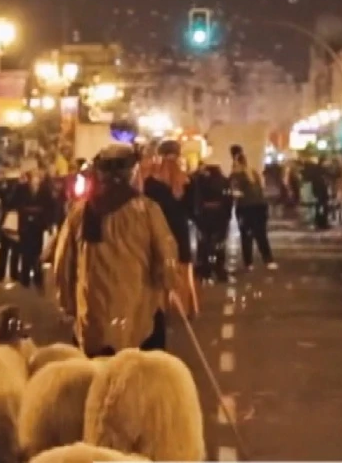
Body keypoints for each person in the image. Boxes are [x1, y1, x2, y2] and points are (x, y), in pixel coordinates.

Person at [53, 143, 180, 357]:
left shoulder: (81, 212)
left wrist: (68, 304)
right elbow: (167, 259)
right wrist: (168, 282)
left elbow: (63, 264)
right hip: (140, 318)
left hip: (92, 319)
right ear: (132, 173)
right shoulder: (147, 210)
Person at [140, 140, 198, 316]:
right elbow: (193, 208)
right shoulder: (186, 180)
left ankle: (161, 308)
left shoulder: (150, 183)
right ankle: (188, 307)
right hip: (180, 228)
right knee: (183, 267)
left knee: (159, 267)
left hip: (157, 229)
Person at [230, 154, 278, 270]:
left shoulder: (236, 175)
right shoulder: (253, 172)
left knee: (246, 235)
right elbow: (260, 189)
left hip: (245, 207)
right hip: (260, 206)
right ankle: (268, 260)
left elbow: (235, 192)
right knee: (261, 234)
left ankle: (248, 263)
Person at [191, 155, 234, 283]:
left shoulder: (199, 181)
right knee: (220, 243)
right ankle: (219, 268)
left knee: (204, 242)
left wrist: (196, 216)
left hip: (204, 216)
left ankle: (204, 268)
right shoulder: (224, 181)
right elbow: (228, 199)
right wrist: (227, 215)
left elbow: (195, 199)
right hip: (220, 216)